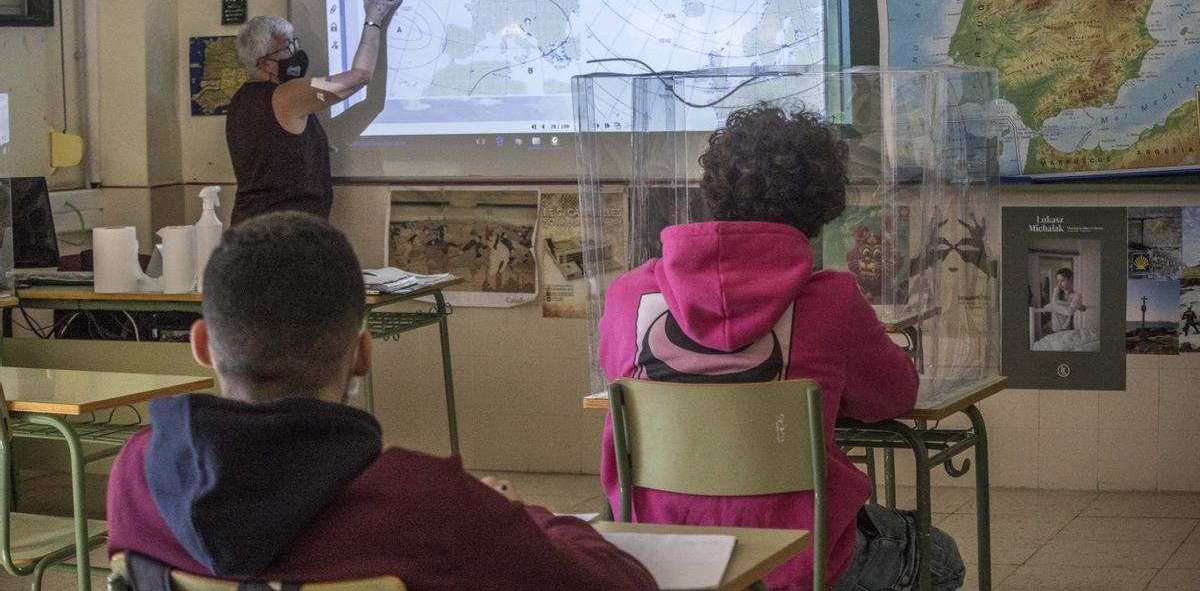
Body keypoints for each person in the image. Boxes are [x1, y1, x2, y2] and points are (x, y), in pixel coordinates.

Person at [106, 212, 655, 591]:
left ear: (202, 346)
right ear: (363, 353)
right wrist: (521, 515)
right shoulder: (431, 503)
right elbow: (619, 582)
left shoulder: (137, 474)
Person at [598, 104, 965, 591]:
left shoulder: (628, 296)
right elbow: (896, 395)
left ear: (716, 191)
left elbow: (619, 380)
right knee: (942, 558)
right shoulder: (834, 301)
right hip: (798, 556)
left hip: (661, 553)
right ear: (821, 207)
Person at [226, 0, 403, 226]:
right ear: (265, 64)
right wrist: (373, 20)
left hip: (254, 229)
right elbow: (360, 76)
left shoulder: (241, 100)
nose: (297, 51)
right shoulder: (286, 95)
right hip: (281, 234)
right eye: (288, 46)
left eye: (295, 42)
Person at [1039, 268, 1086, 333]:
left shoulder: (1077, 295)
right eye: (1058, 281)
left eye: (1062, 280)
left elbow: (1069, 311)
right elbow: (1055, 303)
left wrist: (1051, 306)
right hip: (1054, 329)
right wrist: (1075, 306)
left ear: (1070, 279)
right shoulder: (1057, 292)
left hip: (1067, 330)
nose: (1059, 284)